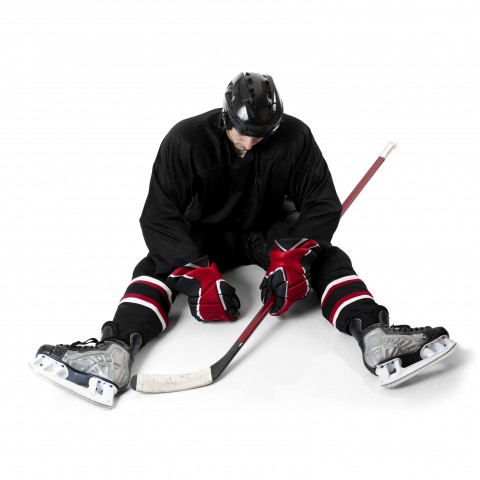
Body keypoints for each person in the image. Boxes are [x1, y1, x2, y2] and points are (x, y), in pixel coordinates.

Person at [29, 72, 456, 407]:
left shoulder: (296, 136)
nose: (250, 141)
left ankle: (375, 335)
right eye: (241, 131)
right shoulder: (184, 140)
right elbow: (159, 216)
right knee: (155, 264)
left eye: (261, 133)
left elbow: (322, 202)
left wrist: (297, 254)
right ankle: (115, 350)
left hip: (269, 231)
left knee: (329, 256)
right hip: (204, 236)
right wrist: (193, 273)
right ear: (225, 116)